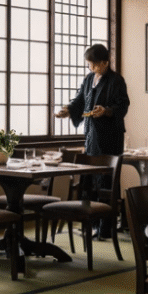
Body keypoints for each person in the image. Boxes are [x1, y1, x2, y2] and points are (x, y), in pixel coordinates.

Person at [56, 43, 130, 238]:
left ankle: (106, 227)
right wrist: (68, 110)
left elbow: (123, 105)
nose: (90, 67)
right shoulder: (89, 79)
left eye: (94, 64)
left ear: (105, 63)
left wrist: (106, 111)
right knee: (89, 178)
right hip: (91, 135)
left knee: (106, 180)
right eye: (89, 63)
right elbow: (80, 100)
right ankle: (91, 223)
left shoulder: (116, 80)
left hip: (109, 137)